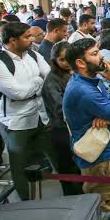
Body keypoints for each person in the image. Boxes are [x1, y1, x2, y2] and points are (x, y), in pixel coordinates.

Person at [63, 38, 110, 220]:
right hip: (101, 158)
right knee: (107, 207)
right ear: (80, 63)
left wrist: (109, 115)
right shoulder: (83, 90)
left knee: (107, 204)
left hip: (104, 150)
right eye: (94, 53)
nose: (101, 57)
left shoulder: (91, 80)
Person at [0, 22, 57, 200]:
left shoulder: (32, 54)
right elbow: (17, 93)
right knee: (20, 166)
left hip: (40, 116)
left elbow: (49, 77)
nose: (32, 39)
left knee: (54, 156)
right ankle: (27, 202)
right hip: (16, 122)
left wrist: (32, 88)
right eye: (27, 37)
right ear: (12, 40)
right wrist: (38, 82)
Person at [41, 41, 83, 196]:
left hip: (77, 128)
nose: (66, 62)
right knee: (69, 169)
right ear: (55, 60)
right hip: (62, 130)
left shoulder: (75, 73)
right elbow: (60, 109)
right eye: (62, 59)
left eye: (68, 58)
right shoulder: (52, 81)